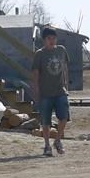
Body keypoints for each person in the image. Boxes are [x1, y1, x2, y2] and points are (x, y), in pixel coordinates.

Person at [31, 27, 70, 157]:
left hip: (60, 91)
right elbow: (36, 74)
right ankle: (47, 145)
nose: (52, 41)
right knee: (46, 122)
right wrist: (36, 91)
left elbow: (65, 68)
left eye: (54, 38)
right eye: (49, 39)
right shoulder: (39, 54)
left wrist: (66, 85)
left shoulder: (61, 50)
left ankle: (57, 141)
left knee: (64, 117)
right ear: (44, 40)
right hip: (45, 93)